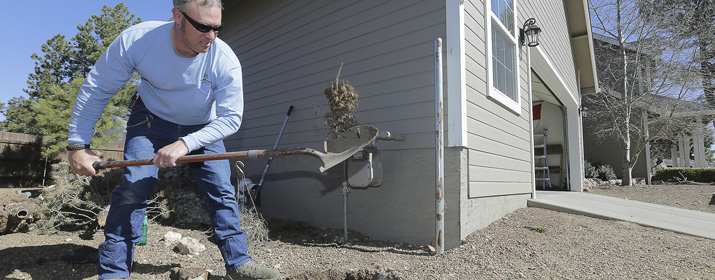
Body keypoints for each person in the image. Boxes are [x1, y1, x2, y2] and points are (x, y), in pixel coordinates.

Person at [66, 1, 281, 279]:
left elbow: (230, 119)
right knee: (134, 186)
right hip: (150, 120)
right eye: (203, 27)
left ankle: (238, 264)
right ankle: (115, 270)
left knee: (222, 190)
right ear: (177, 17)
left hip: (204, 126)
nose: (211, 36)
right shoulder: (139, 40)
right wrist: (77, 144)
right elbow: (97, 88)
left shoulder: (223, 60)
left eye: (217, 28)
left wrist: (186, 143)